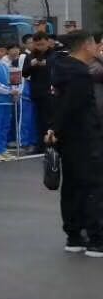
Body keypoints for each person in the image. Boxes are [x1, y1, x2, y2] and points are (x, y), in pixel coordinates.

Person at [47, 29, 103, 255]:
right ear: (85, 45)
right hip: (85, 136)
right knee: (92, 186)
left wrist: (53, 128)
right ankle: (96, 238)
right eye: (95, 44)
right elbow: (72, 106)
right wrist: (55, 128)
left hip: (68, 138)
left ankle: (74, 236)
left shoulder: (61, 68)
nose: (97, 47)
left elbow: (60, 105)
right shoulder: (79, 73)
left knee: (72, 186)